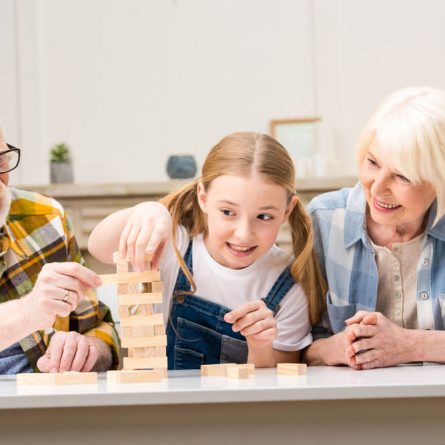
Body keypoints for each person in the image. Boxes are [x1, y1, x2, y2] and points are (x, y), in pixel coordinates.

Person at [88, 131, 325, 369]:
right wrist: (148, 210)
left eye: (264, 216)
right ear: (203, 197)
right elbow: (98, 247)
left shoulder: (290, 288)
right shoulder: (175, 244)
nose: (243, 233)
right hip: (164, 404)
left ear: (287, 210)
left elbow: (279, 388)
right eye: (227, 212)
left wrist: (260, 347)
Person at [305, 86, 445, 369]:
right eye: (372, 163)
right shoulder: (324, 220)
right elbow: (290, 345)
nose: (378, 188)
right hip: (351, 408)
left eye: (402, 176)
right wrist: (333, 348)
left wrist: (408, 344)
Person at [0, 128, 119, 374]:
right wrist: (25, 312)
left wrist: (85, 349)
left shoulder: (45, 217)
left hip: (45, 406)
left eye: (0, 158)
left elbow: (98, 328)